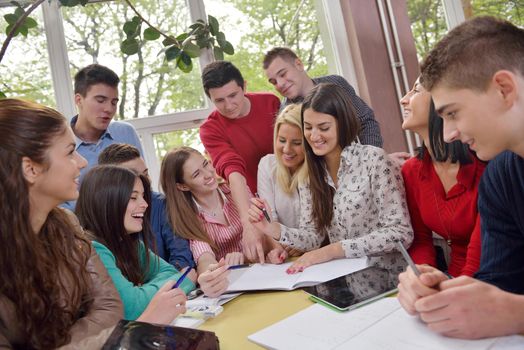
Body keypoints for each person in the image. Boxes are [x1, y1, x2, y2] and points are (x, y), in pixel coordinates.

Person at [397, 16, 524, 339]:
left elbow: (507, 307)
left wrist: (516, 313)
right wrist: (444, 290)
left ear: (503, 90)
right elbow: (497, 283)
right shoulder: (501, 176)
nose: (450, 134)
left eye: (453, 113)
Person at [249, 83, 413, 274]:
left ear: (342, 124)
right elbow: (313, 236)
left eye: (323, 127)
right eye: (308, 128)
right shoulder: (310, 174)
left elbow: (400, 233)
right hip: (344, 279)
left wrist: (334, 250)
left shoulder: (374, 160)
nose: (314, 136)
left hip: (390, 277)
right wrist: (271, 228)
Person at [0, 99, 122, 349]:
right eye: (69, 152)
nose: (82, 162)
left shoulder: (67, 224)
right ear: (30, 168)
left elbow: (109, 306)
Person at [76, 165, 195, 323]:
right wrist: (183, 280)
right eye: (133, 198)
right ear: (106, 201)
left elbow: (168, 270)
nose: (145, 204)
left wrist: (141, 292)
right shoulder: (93, 248)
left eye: (143, 196)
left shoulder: (128, 241)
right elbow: (132, 307)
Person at [160, 147, 284, 297]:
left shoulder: (237, 191)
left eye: (205, 164)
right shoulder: (189, 219)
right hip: (233, 288)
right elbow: (204, 258)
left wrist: (275, 250)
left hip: (269, 274)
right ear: (183, 186)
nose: (208, 174)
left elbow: (264, 229)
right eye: (197, 174)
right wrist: (212, 274)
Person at [400, 79, 485, 277]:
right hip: (453, 280)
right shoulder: (411, 171)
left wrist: (451, 293)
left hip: (487, 283)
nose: (404, 100)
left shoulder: (486, 168)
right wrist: (425, 276)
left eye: (416, 91)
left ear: (442, 102)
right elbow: (420, 239)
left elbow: (479, 258)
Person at [199, 60, 280, 263]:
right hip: (254, 205)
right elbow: (234, 173)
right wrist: (248, 222)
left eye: (233, 95)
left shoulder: (271, 103)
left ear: (244, 86)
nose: (228, 105)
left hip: (290, 194)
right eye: (219, 100)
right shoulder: (211, 129)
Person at [98, 143, 196, 272]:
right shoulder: (98, 224)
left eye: (146, 174)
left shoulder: (162, 205)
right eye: (134, 176)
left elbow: (182, 259)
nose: (145, 182)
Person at [262, 46, 383, 147]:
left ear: (299, 64)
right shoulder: (286, 114)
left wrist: (372, 159)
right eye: (273, 82)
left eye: (283, 74)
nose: (280, 84)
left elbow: (366, 121)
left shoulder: (336, 84)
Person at [63, 64, 144, 210]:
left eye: (114, 102)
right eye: (100, 100)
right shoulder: (61, 144)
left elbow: (144, 183)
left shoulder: (126, 133)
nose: (109, 109)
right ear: (79, 100)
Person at [257, 104, 308, 260]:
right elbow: (269, 218)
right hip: (285, 252)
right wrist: (278, 248)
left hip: (316, 250)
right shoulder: (267, 165)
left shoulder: (317, 170)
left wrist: (302, 244)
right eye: (282, 140)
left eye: (296, 143)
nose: (286, 149)